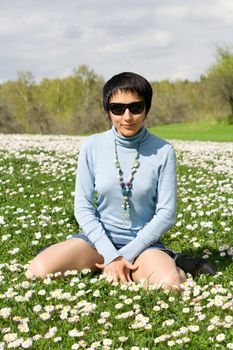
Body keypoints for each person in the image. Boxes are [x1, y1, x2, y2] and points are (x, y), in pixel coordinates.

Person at [27, 72, 187, 291]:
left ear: (147, 108)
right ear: (108, 110)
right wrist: (111, 255)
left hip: (143, 247)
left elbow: (166, 214)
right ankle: (85, 257)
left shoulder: (163, 151)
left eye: (136, 107)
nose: (127, 116)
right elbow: (82, 208)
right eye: (118, 109)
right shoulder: (92, 146)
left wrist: (124, 255)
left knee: (172, 285)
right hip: (97, 242)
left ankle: (177, 263)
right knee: (38, 270)